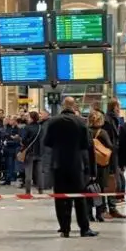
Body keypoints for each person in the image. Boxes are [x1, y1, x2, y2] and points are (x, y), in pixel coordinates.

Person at [44, 97, 98, 238]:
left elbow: (47, 142)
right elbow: (86, 144)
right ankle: (84, 228)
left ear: (63, 106)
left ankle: (64, 228)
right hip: (76, 164)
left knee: (61, 198)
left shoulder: (53, 121)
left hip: (58, 164)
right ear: (74, 106)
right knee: (80, 198)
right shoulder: (81, 122)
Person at [88, 110, 116, 222]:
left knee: (89, 189)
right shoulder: (103, 132)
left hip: (90, 164)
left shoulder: (86, 131)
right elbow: (110, 147)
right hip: (102, 165)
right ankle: (100, 213)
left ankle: (89, 214)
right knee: (101, 189)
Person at [20, 111, 46, 195]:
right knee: (39, 173)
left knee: (28, 173)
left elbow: (23, 140)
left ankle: (28, 191)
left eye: (28, 117)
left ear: (31, 118)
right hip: (39, 152)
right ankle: (40, 190)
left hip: (30, 152)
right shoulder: (41, 127)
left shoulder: (27, 128)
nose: (27, 119)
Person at [0, 117, 22, 186]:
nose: (10, 121)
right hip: (6, 149)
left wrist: (9, 141)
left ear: (15, 121)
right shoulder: (8, 128)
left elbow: (17, 140)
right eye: (10, 120)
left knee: (10, 165)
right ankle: (8, 178)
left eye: (12, 120)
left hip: (13, 149)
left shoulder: (18, 129)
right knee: (7, 165)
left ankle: (9, 178)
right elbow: (5, 136)